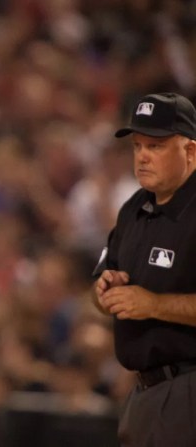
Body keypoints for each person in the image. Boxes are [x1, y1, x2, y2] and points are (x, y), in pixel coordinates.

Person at [92, 92, 196, 447]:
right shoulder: (133, 209)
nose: (142, 156)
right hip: (145, 392)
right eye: (137, 146)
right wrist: (105, 290)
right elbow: (100, 289)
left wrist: (153, 304)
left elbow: (147, 303)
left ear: (190, 151)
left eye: (156, 146)